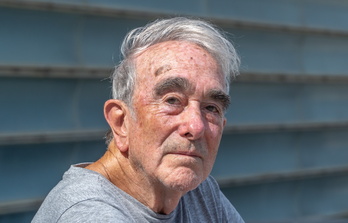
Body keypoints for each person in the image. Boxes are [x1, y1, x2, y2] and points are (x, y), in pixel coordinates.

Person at [32, 17, 244, 222]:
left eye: (211, 108)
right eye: (172, 100)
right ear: (121, 122)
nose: (196, 127)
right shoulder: (89, 213)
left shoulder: (198, 193)